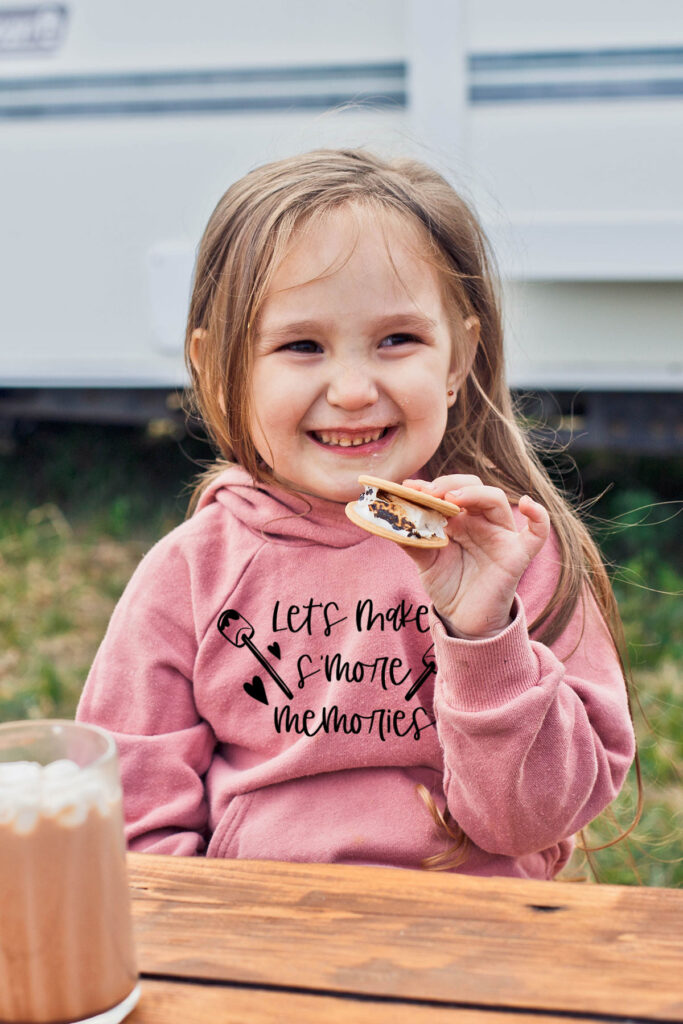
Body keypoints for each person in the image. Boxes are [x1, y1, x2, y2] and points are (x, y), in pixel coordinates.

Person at [76, 148, 636, 878]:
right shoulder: (187, 575)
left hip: (476, 946)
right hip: (257, 948)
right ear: (218, 370)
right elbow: (131, 826)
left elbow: (532, 822)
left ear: (457, 356)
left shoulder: (513, 558)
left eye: (396, 340)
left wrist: (483, 635)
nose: (350, 389)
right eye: (301, 345)